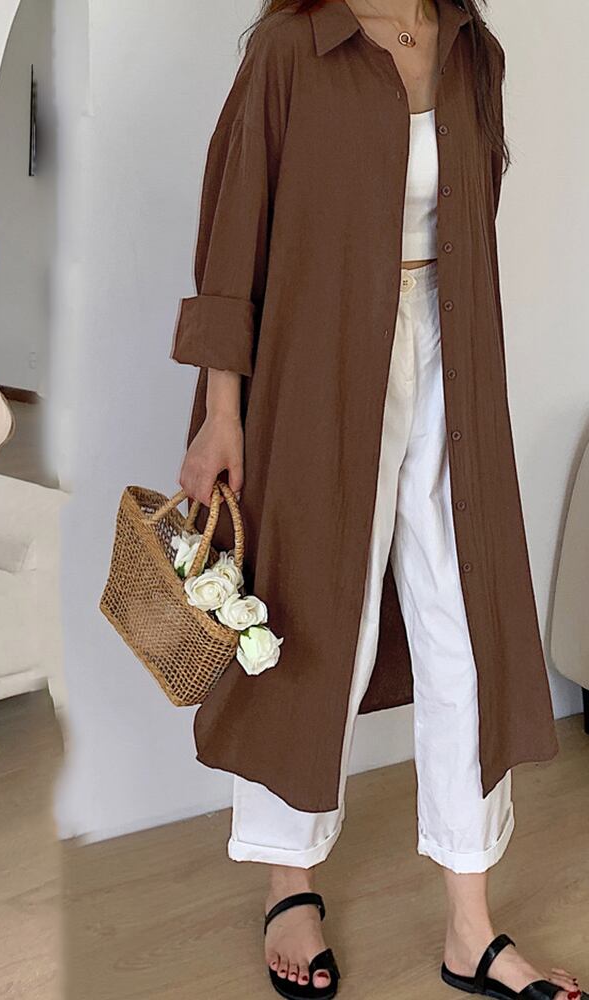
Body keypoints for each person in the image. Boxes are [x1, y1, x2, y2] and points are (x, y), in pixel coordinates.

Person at [174, 2, 584, 998]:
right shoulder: (293, 47)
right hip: (314, 366)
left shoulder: (468, 50)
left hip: (449, 358)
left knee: (467, 627)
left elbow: (470, 223)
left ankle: (470, 926)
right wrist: (221, 412)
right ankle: (289, 884)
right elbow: (233, 235)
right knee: (313, 624)